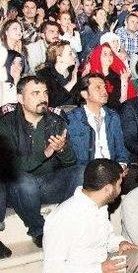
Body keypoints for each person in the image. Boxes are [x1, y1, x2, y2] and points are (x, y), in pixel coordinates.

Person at [43, 159, 138, 273]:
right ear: (108, 189)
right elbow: (52, 272)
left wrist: (120, 243)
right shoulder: (64, 217)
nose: (121, 189)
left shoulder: (99, 205)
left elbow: (107, 239)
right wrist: (99, 271)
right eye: (119, 184)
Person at [0, 75, 84, 247]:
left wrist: (61, 149)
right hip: (16, 188)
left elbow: (70, 163)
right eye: (35, 93)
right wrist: (44, 154)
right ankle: (39, 231)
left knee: (82, 171)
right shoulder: (6, 123)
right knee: (23, 180)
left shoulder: (56, 120)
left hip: (47, 183)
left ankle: (65, 222)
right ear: (20, 99)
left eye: (45, 93)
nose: (43, 98)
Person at [66, 74, 129, 167]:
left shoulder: (113, 116)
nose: (104, 91)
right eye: (98, 88)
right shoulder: (72, 119)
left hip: (110, 171)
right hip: (84, 172)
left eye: (104, 87)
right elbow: (69, 157)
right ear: (84, 94)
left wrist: (122, 165)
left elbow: (121, 150)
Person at [82, 42, 135, 110]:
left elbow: (123, 102)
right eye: (105, 54)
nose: (109, 57)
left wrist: (124, 82)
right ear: (98, 56)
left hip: (117, 112)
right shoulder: (91, 76)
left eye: (110, 54)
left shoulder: (117, 76)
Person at [36, 40, 79, 108]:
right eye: (70, 53)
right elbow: (52, 101)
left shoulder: (73, 72)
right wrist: (72, 82)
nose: (74, 56)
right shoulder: (44, 75)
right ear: (59, 58)